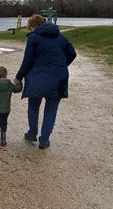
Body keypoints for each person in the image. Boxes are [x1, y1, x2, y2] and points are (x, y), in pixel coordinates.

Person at [15, 14, 76, 149]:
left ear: (34, 26)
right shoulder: (61, 37)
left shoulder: (33, 38)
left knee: (33, 105)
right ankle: (44, 140)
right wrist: (60, 66)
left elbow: (28, 61)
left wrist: (18, 76)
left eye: (30, 27)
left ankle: (32, 133)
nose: (30, 30)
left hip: (37, 77)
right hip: (58, 77)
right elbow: (72, 54)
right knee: (51, 109)